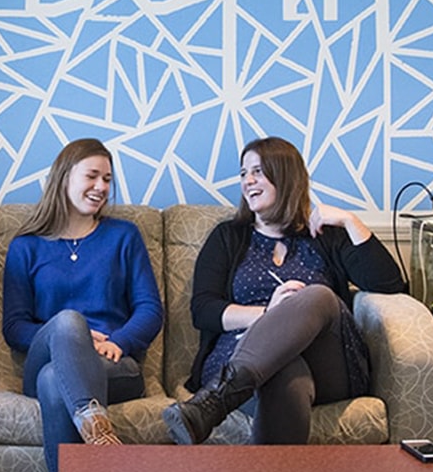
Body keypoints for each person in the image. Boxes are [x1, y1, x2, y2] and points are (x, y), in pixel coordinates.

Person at [162, 136, 406, 446]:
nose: (247, 181)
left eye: (258, 172)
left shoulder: (323, 236)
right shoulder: (227, 237)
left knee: (318, 295)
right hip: (242, 352)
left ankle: (217, 400)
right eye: (243, 173)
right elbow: (204, 310)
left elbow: (389, 284)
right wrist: (269, 314)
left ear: (286, 176)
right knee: (283, 370)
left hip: (326, 361)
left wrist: (350, 220)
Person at [2, 138, 163, 472]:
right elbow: (14, 327)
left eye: (107, 179)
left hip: (113, 364)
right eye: (92, 176)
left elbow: (150, 309)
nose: (101, 187)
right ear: (63, 178)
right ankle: (96, 427)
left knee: (52, 382)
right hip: (48, 352)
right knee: (66, 323)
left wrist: (119, 342)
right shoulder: (26, 246)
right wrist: (72, 337)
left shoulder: (124, 237)